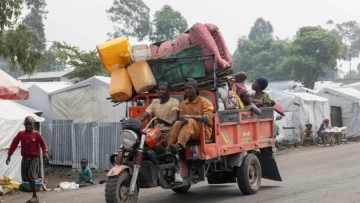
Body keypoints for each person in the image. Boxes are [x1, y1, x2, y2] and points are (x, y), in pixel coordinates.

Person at [166, 79, 214, 182]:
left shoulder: (205, 102)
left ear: (196, 90)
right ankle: (169, 147)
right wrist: (183, 120)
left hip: (203, 131)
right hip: (189, 130)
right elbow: (182, 117)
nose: (186, 91)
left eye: (189, 88)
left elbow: (207, 118)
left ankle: (179, 145)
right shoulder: (183, 104)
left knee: (190, 121)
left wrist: (190, 117)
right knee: (178, 123)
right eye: (185, 89)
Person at [6, 116, 48, 203]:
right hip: (25, 158)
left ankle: (35, 196)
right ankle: (34, 195)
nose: (28, 126)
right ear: (24, 124)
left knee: (31, 176)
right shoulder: (21, 134)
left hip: (34, 159)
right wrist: (9, 155)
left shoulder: (36, 134)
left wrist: (45, 153)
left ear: (33, 124)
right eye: (26, 124)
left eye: (30, 124)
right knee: (26, 177)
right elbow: (14, 143)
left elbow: (43, 144)